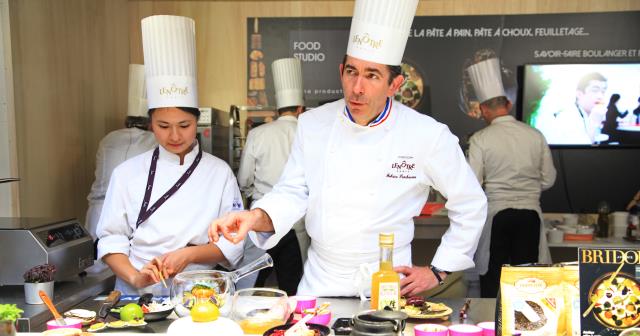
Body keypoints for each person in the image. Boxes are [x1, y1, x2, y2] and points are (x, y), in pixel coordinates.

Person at [209, 0, 487, 298]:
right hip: (322, 281)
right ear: (341, 70)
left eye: (372, 75)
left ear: (395, 84)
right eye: (352, 71)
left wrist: (437, 270)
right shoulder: (314, 123)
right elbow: (293, 192)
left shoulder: (427, 135)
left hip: (390, 280)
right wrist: (255, 217)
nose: (357, 87)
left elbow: (470, 203)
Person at [97, 15, 243, 295]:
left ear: (197, 122)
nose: (174, 136)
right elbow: (111, 238)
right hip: (137, 295)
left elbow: (233, 243)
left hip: (200, 294)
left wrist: (189, 255)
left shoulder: (219, 172)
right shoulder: (127, 173)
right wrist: (136, 278)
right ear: (151, 123)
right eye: (164, 126)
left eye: (184, 126)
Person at [467, 58, 557, 298]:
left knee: (492, 278)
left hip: (496, 214)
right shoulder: (535, 135)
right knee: (530, 279)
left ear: (484, 109)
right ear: (507, 104)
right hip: (530, 215)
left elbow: (472, 184)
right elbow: (548, 179)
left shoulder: (480, 138)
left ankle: (489, 324)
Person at [237, 57, 307, 295]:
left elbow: (244, 179)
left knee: (252, 284)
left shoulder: (258, 133)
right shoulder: (309, 133)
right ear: (301, 109)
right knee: (295, 286)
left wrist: (251, 194)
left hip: (260, 219)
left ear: (278, 109)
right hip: (300, 223)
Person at [85, 64, 157, 272]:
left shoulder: (108, 139)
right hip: (128, 217)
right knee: (124, 272)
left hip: (97, 212)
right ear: (152, 123)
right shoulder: (154, 142)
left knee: (96, 272)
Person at [547, 72, 608, 145]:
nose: (600, 96)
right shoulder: (568, 117)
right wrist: (594, 123)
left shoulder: (588, 114)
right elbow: (582, 149)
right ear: (579, 94)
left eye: (603, 91)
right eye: (595, 90)